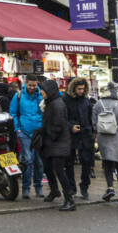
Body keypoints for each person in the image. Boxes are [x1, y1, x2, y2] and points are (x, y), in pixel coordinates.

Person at [92, 80, 118, 205]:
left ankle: (110, 187)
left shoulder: (98, 104)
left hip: (103, 137)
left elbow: (94, 124)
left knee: (107, 164)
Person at [39, 79, 75, 211]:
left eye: (42, 89)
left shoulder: (57, 105)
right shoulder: (50, 103)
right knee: (47, 167)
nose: (41, 91)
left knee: (59, 170)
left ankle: (69, 199)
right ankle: (54, 190)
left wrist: (47, 133)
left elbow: (58, 125)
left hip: (58, 142)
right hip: (52, 142)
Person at [9, 75, 45, 199]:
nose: (32, 87)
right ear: (26, 84)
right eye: (30, 85)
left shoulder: (41, 96)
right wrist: (17, 129)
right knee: (28, 161)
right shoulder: (18, 96)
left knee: (39, 162)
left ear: (37, 84)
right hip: (24, 133)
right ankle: (26, 188)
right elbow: (13, 113)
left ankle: (38, 187)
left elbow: (44, 112)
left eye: (34, 85)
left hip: (38, 133)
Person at [63, 77, 94, 200]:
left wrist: (93, 131)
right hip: (71, 135)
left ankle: (84, 185)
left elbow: (90, 116)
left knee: (86, 161)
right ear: (73, 88)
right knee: (69, 163)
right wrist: (71, 127)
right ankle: (72, 187)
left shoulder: (86, 100)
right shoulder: (65, 100)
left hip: (85, 133)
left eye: (83, 88)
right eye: (79, 89)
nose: (81, 91)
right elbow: (63, 117)